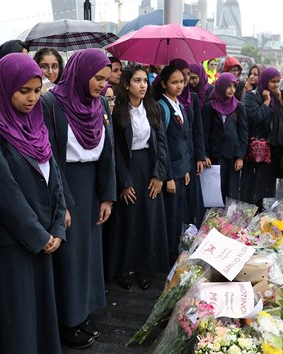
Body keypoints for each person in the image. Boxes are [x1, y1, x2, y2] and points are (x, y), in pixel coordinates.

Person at [0, 53, 67, 354]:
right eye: (24, 91)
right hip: (13, 244)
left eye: (37, 90)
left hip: (45, 238)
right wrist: (39, 235)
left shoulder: (36, 125)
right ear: (4, 87)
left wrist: (58, 226)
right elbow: (4, 193)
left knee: (42, 320)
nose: (32, 98)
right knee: (18, 325)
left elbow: (55, 177)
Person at [41, 48, 115, 349]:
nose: (102, 85)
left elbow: (107, 154)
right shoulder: (51, 103)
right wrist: (63, 203)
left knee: (89, 256)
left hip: (92, 190)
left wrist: (107, 196)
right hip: (65, 186)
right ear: (81, 73)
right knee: (69, 260)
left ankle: (83, 311)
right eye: (97, 78)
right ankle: (68, 320)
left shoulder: (99, 105)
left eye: (106, 80)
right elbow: (49, 157)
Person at [108, 64, 169, 290]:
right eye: (137, 81)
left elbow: (162, 144)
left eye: (145, 81)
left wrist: (159, 175)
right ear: (126, 84)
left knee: (148, 220)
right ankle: (125, 268)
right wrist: (123, 181)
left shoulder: (153, 109)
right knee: (128, 220)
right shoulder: (118, 111)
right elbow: (115, 151)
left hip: (149, 169)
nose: (143, 85)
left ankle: (145, 267)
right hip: (128, 168)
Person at [242, 67, 283, 207]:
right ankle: (249, 207)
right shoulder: (252, 96)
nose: (276, 85)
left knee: (265, 180)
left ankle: (259, 205)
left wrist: (282, 100)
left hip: (272, 146)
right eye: (273, 82)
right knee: (253, 179)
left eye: (278, 82)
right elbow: (254, 118)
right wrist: (266, 102)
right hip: (256, 145)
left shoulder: (278, 96)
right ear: (265, 81)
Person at [153, 65, 190, 264]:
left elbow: (184, 140)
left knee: (178, 214)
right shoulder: (161, 106)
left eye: (181, 82)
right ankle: (166, 256)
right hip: (169, 172)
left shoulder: (179, 105)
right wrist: (167, 176)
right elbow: (162, 144)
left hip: (180, 169)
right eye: (174, 82)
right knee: (170, 216)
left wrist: (185, 169)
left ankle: (175, 253)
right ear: (164, 83)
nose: (179, 86)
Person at [168, 58, 206, 228]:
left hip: (190, 154)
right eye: (178, 78)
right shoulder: (164, 103)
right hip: (175, 155)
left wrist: (200, 156)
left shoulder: (193, 99)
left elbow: (198, 129)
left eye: (186, 78)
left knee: (191, 195)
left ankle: (189, 231)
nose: (182, 84)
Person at [202, 72, 248, 201]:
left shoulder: (239, 106)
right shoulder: (209, 106)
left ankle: (229, 220)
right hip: (214, 157)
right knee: (214, 192)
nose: (232, 89)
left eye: (234, 86)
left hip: (232, 157)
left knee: (231, 192)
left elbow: (243, 133)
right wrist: (205, 155)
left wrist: (240, 156)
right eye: (228, 86)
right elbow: (204, 133)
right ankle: (213, 220)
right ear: (221, 86)